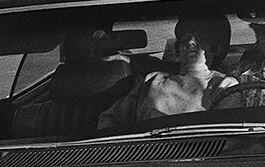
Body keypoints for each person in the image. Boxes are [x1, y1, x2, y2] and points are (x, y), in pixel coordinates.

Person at [98, 13, 237, 129]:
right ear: (177, 50)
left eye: (200, 37)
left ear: (215, 48)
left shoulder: (225, 85)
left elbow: (227, 133)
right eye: (186, 38)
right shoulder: (152, 80)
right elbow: (110, 119)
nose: (190, 42)